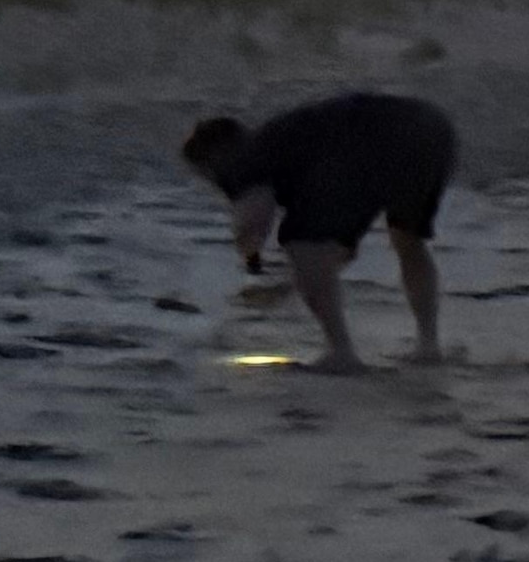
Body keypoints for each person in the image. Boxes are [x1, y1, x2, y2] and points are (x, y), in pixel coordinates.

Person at [180, 91, 457, 376]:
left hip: (375, 141)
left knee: (301, 242)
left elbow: (252, 224)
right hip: (431, 129)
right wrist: (290, 283)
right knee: (408, 239)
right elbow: (341, 250)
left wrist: (252, 264)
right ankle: (428, 346)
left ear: (212, 159)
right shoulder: (292, 145)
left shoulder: (247, 157)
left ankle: (341, 353)